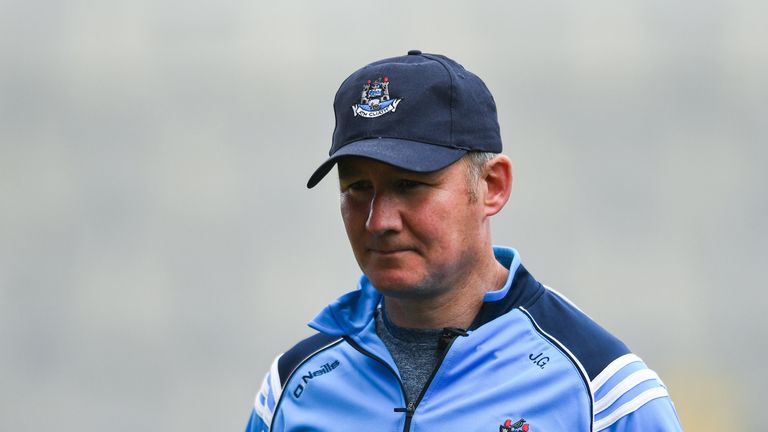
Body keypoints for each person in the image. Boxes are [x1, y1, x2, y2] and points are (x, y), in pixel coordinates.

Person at [245, 50, 682, 431]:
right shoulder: (292, 387)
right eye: (357, 187)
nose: (379, 221)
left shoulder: (604, 395)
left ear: (493, 186)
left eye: (410, 185)